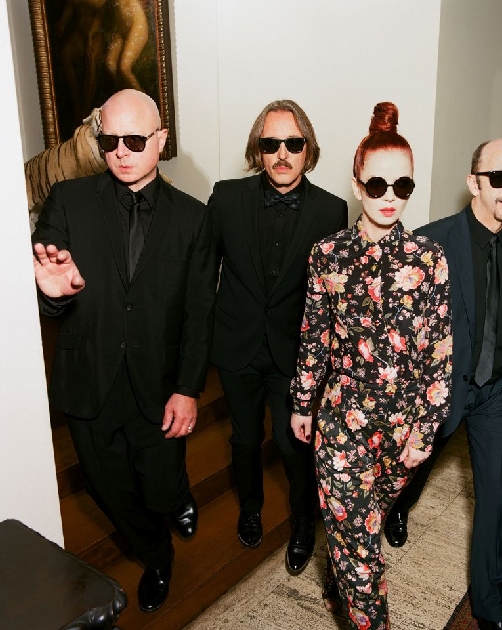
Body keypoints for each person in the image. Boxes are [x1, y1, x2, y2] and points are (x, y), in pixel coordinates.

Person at [32, 89, 213, 613]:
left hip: (160, 383)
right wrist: (53, 294)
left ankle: (175, 495)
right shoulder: (68, 200)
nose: (121, 152)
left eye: (135, 140)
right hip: (89, 379)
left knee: (159, 486)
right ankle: (157, 555)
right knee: (108, 489)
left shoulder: (194, 218)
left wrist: (188, 389)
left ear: (161, 140)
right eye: (109, 140)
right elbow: (49, 283)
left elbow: (199, 312)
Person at [290, 102, 452, 630]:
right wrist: (303, 402)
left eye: (402, 186)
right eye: (378, 185)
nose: (389, 197)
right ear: (358, 185)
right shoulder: (327, 254)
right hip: (342, 421)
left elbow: (439, 353)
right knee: (359, 547)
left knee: (362, 526)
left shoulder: (429, 259)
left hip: (404, 429)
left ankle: (344, 571)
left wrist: (425, 432)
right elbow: (314, 335)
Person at [384, 138, 502, 630]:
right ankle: (397, 509)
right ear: (474, 182)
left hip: (497, 390)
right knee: (407, 470)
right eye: (500, 177)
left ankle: (491, 611)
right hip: (441, 387)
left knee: (496, 500)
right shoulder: (431, 243)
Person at [207, 100, 348, 573]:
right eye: (271, 144)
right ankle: (251, 507)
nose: (282, 153)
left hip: (294, 353)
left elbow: (332, 297)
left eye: (293, 143)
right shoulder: (225, 198)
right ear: (258, 150)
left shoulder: (332, 210)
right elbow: (203, 277)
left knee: (292, 445)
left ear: (308, 148)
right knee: (245, 439)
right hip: (237, 346)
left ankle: (304, 521)